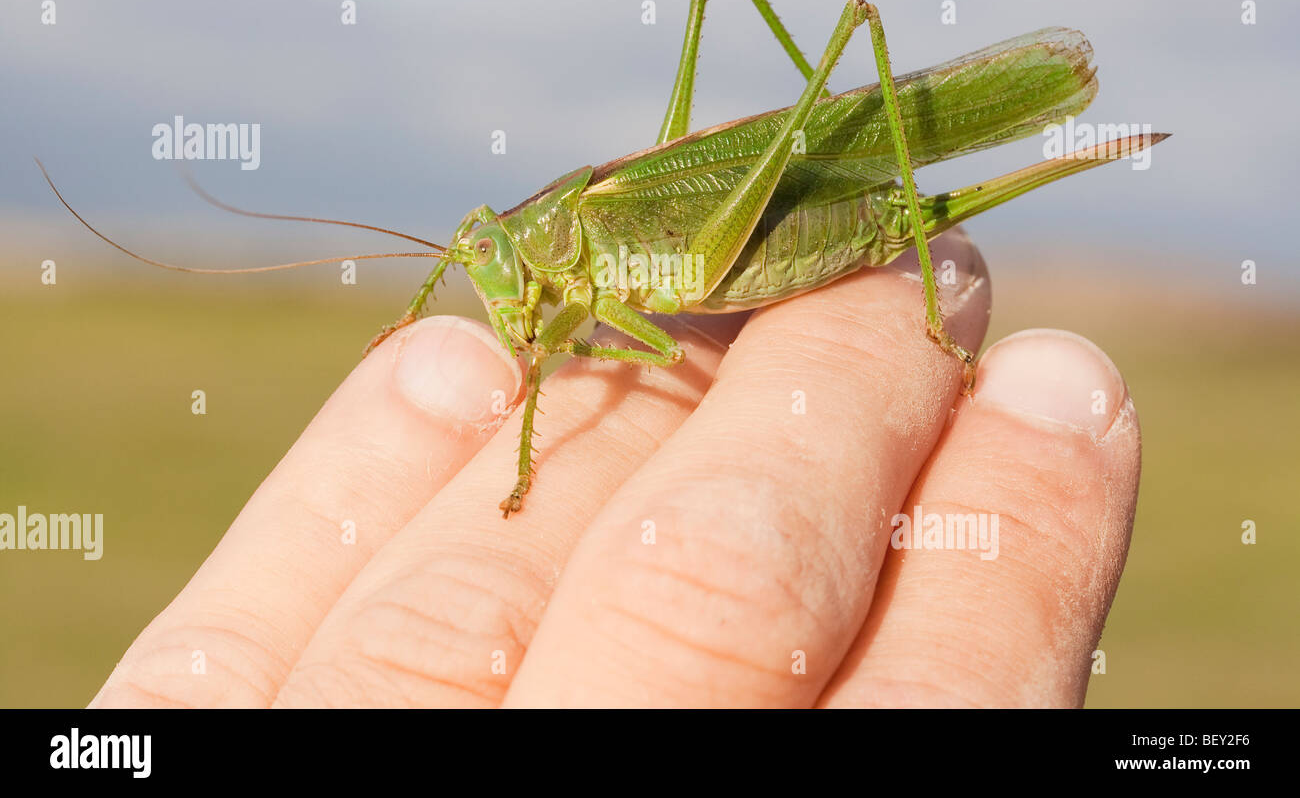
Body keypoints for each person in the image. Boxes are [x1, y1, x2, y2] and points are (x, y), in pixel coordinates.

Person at [91, 230, 1140, 708]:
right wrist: (416, 314)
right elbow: (549, 299)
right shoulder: (530, 256)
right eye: (480, 268)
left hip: (720, 241)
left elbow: (614, 343)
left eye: (502, 263)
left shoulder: (576, 256)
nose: (497, 286)